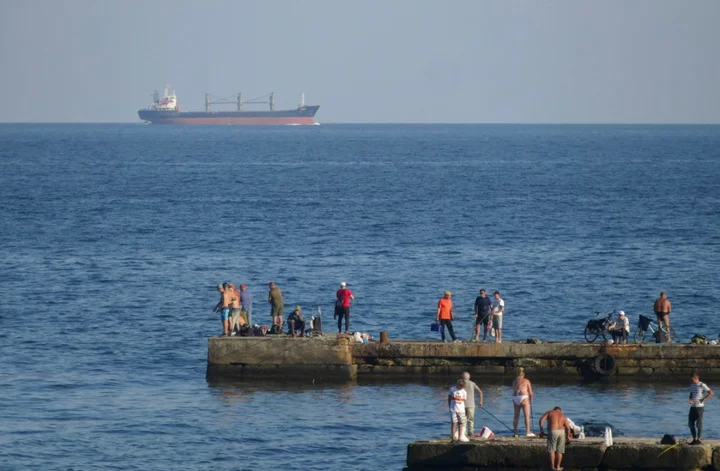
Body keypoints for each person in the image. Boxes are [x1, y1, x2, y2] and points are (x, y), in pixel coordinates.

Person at [539, 407, 573, 471]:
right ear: (560, 410)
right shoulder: (563, 416)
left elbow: (541, 420)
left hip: (553, 431)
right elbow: (568, 429)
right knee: (559, 451)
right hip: (562, 432)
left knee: (552, 450)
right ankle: (558, 467)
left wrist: (541, 430)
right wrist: (568, 436)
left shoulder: (550, 412)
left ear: (554, 409)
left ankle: (552, 467)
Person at [689, 373, 713, 445]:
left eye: (692, 379)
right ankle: (694, 439)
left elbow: (711, 393)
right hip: (693, 407)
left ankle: (698, 439)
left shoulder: (702, 385)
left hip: (700, 407)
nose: (692, 381)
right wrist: (690, 399)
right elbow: (691, 395)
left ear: (696, 378)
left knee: (699, 424)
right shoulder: (691, 385)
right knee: (690, 423)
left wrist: (704, 399)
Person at [512, 367, 535, 437]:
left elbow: (514, 389)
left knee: (516, 416)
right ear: (523, 374)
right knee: (527, 416)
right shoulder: (526, 381)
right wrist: (531, 397)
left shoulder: (514, 381)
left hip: (515, 398)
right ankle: (528, 432)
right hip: (524, 397)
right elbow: (530, 392)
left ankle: (515, 432)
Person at [461, 372, 483, 437]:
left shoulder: (460, 383)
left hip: (462, 405)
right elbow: (480, 392)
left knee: (463, 420)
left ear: (462, 377)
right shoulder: (472, 383)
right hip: (471, 405)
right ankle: (471, 434)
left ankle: (463, 434)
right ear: (469, 377)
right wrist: (480, 402)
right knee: (471, 420)